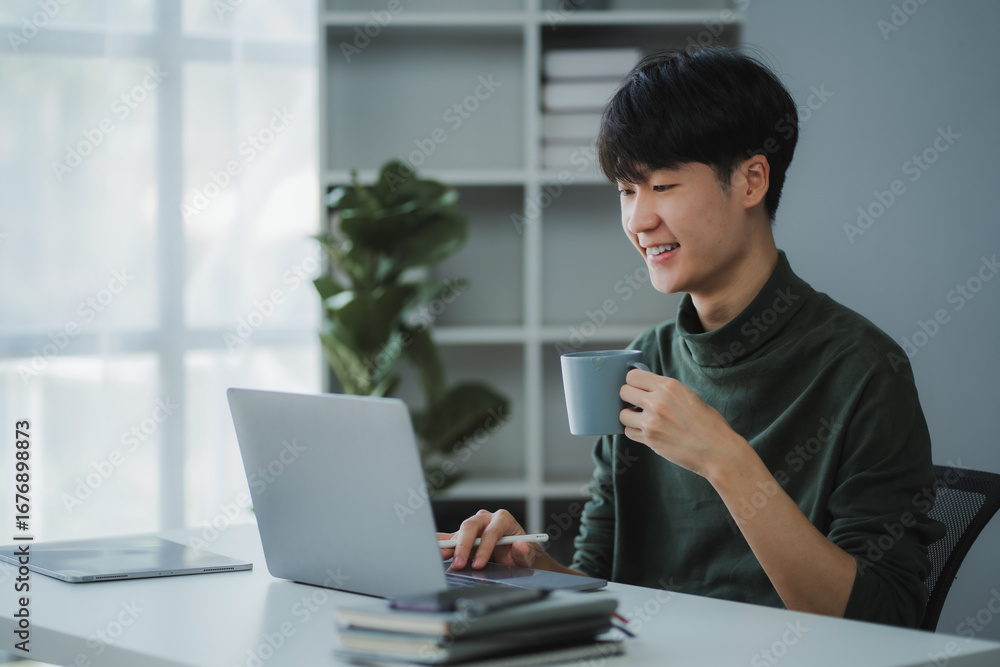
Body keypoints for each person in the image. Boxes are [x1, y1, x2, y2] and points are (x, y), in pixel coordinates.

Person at [438, 46, 944, 628]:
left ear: (752, 180)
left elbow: (885, 620)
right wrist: (529, 566)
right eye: (627, 190)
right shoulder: (643, 363)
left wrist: (726, 461)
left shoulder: (863, 368)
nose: (638, 220)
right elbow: (601, 579)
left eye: (663, 186)